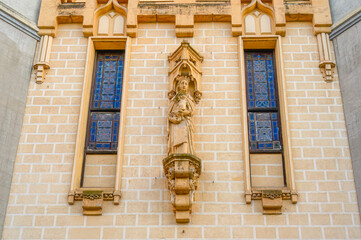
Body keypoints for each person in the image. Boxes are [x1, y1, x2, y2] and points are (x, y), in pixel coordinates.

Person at [167, 76, 195, 155]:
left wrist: (183, 113)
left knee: (184, 143)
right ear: (178, 85)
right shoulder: (174, 99)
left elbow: (191, 111)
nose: (184, 85)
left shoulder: (189, 98)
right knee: (175, 143)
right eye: (182, 83)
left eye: (186, 84)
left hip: (185, 123)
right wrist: (174, 117)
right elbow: (170, 113)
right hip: (175, 124)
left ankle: (184, 155)